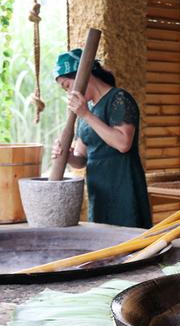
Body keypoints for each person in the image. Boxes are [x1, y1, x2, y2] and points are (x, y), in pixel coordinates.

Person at [51, 48, 152, 229]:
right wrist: (66, 155)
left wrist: (86, 114)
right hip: (99, 191)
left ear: (83, 76)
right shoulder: (86, 110)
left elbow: (123, 143)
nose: (68, 93)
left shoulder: (118, 98)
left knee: (130, 249)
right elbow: (81, 160)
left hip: (124, 187)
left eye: (67, 86)